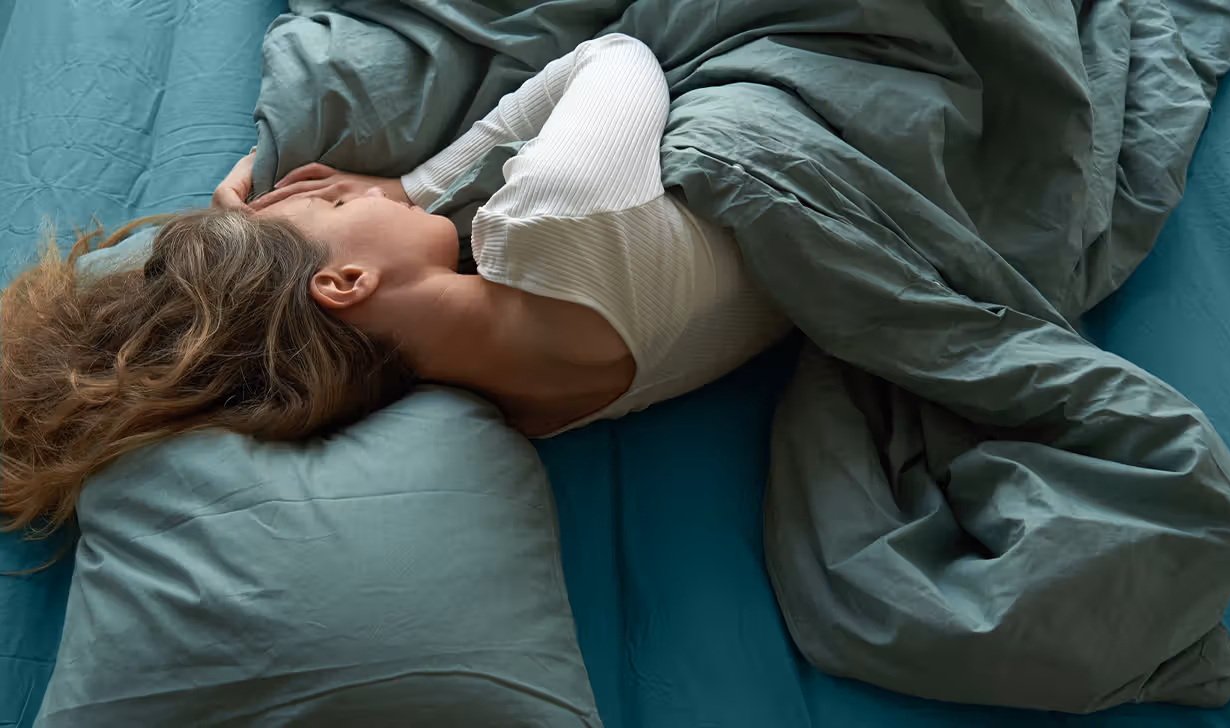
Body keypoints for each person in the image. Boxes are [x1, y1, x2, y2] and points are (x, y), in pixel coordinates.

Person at [0, 34, 788, 534]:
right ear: (347, 281)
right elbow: (616, 55)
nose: (358, 190)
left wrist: (259, 253)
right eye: (340, 204)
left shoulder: (513, 407)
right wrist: (418, 184)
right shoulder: (550, 214)